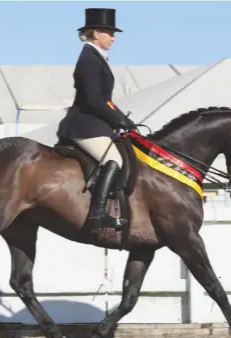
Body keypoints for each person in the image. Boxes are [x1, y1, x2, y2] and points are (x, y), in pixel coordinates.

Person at [57, 8, 136, 234]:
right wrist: (118, 119)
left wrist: (121, 119)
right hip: (84, 126)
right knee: (114, 160)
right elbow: (93, 100)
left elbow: (105, 100)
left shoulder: (96, 58)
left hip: (95, 124)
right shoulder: (89, 60)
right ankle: (97, 214)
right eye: (109, 32)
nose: (113, 37)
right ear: (95, 33)